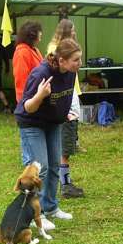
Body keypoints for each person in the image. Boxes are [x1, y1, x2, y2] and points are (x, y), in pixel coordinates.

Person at [14, 38, 82, 230]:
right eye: (76, 60)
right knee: (39, 169)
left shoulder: (70, 73)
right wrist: (40, 95)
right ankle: (36, 214)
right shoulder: (41, 74)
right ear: (61, 60)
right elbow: (28, 106)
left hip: (53, 123)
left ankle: (50, 207)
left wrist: (64, 112)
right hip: (32, 123)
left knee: (54, 166)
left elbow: (64, 95)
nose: (80, 63)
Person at [47, 19, 84, 198]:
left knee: (67, 142)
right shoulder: (56, 50)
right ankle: (65, 184)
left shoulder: (63, 48)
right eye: (73, 30)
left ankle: (65, 182)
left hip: (70, 94)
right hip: (65, 98)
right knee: (65, 142)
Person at [13, 21, 44, 103]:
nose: (41, 34)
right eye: (39, 32)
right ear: (32, 35)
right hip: (29, 98)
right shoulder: (22, 52)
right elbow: (21, 78)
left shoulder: (34, 49)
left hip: (38, 95)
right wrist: (24, 101)